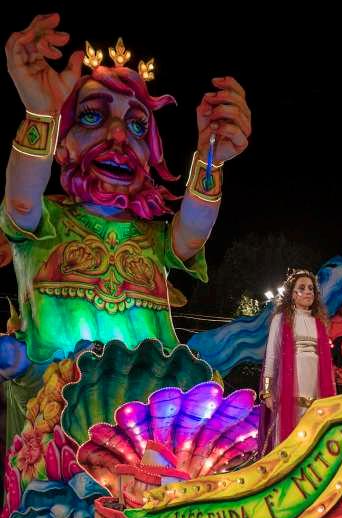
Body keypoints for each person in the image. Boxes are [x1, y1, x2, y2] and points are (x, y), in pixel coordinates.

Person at [2, 13, 251, 362]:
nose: (119, 135)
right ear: (61, 144)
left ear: (148, 158)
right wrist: (41, 114)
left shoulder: (153, 237)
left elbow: (193, 233)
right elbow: (22, 203)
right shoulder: (46, 221)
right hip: (56, 393)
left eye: (137, 126)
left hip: (154, 396)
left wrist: (212, 159)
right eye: (92, 116)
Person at [259, 269, 336, 452]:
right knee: (290, 445)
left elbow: (327, 366)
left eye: (311, 288)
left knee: (315, 441)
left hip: (317, 394)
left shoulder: (319, 323)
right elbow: (271, 357)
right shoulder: (281, 319)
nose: (308, 292)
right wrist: (267, 392)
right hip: (288, 395)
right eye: (302, 288)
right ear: (292, 294)